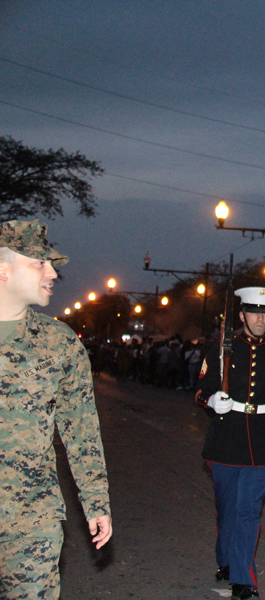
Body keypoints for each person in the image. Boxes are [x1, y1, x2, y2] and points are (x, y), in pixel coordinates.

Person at [0, 219, 112, 599]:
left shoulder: (59, 344)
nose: (53, 272)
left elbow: (81, 428)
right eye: (40, 263)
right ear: (4, 269)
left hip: (32, 520)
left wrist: (95, 500)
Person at [196, 287, 265, 600]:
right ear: (241, 315)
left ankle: (243, 579)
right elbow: (200, 388)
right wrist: (211, 400)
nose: (260, 319)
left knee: (247, 511)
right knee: (227, 508)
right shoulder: (221, 349)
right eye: (254, 312)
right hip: (226, 438)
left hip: (263, 441)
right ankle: (225, 559)